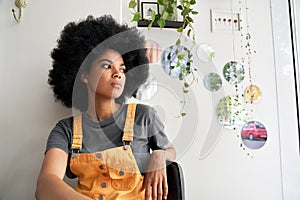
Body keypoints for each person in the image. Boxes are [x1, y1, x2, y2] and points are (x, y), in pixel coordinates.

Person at [35, 15, 176, 200]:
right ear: (84, 75)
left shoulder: (143, 115)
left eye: (123, 69)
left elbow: (170, 151)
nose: (118, 73)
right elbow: (46, 184)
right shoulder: (66, 130)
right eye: (106, 66)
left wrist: (159, 154)